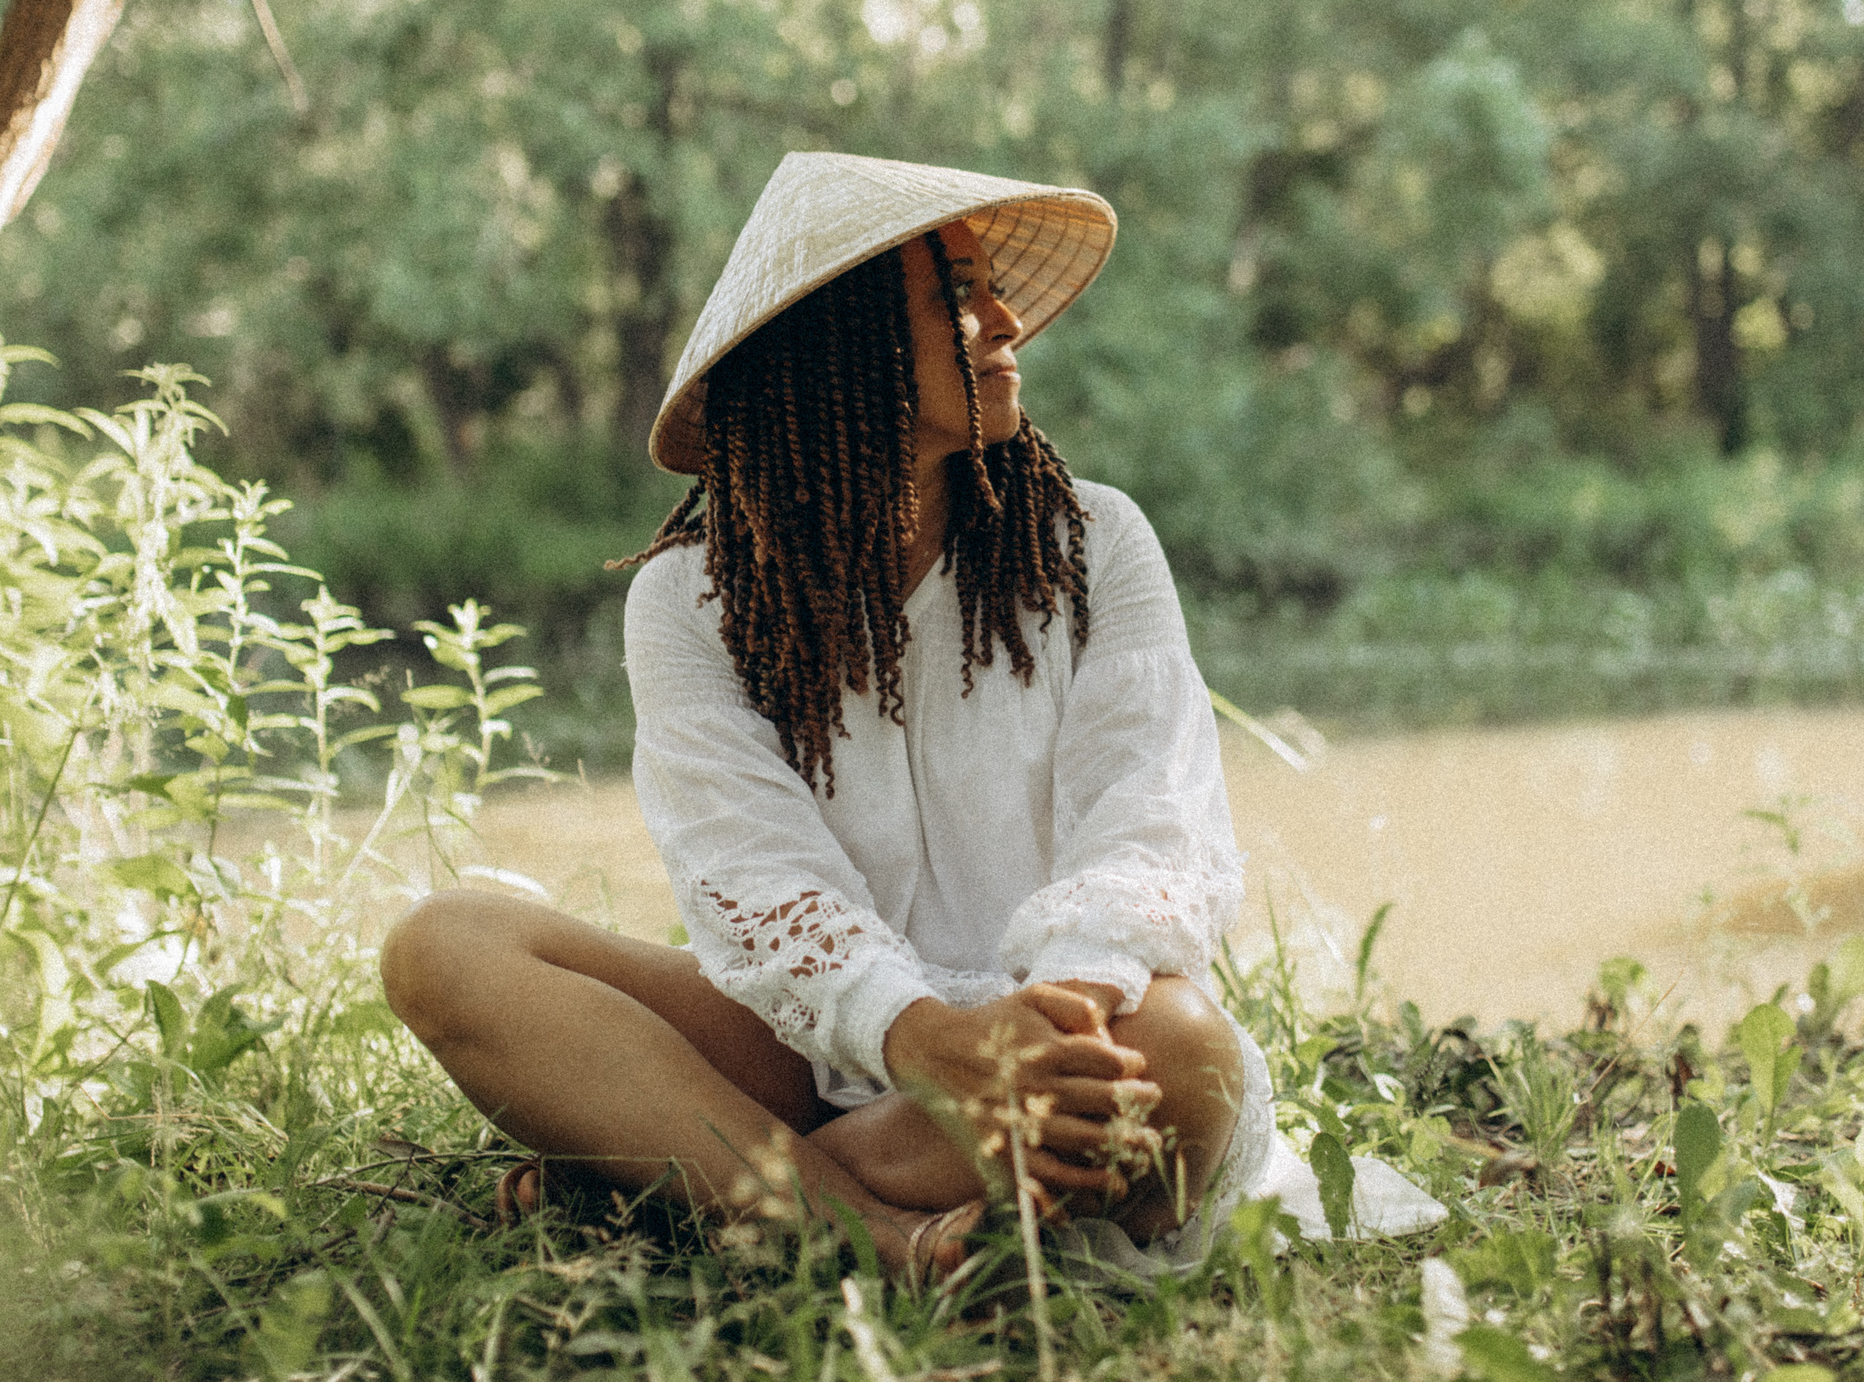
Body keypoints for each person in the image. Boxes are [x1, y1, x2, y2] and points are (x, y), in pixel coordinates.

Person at [381, 152, 1271, 1283]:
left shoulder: (1094, 542)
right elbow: (757, 882)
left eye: (990, 287)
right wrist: (919, 1037)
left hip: (1055, 1038)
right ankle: (876, 1237)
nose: (1005, 318)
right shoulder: (689, 599)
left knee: (1183, 1060)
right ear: (841, 352)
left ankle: (678, 1183)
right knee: (446, 944)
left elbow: (1150, 822)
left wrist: (1053, 1018)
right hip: (812, 1044)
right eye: (956, 296)